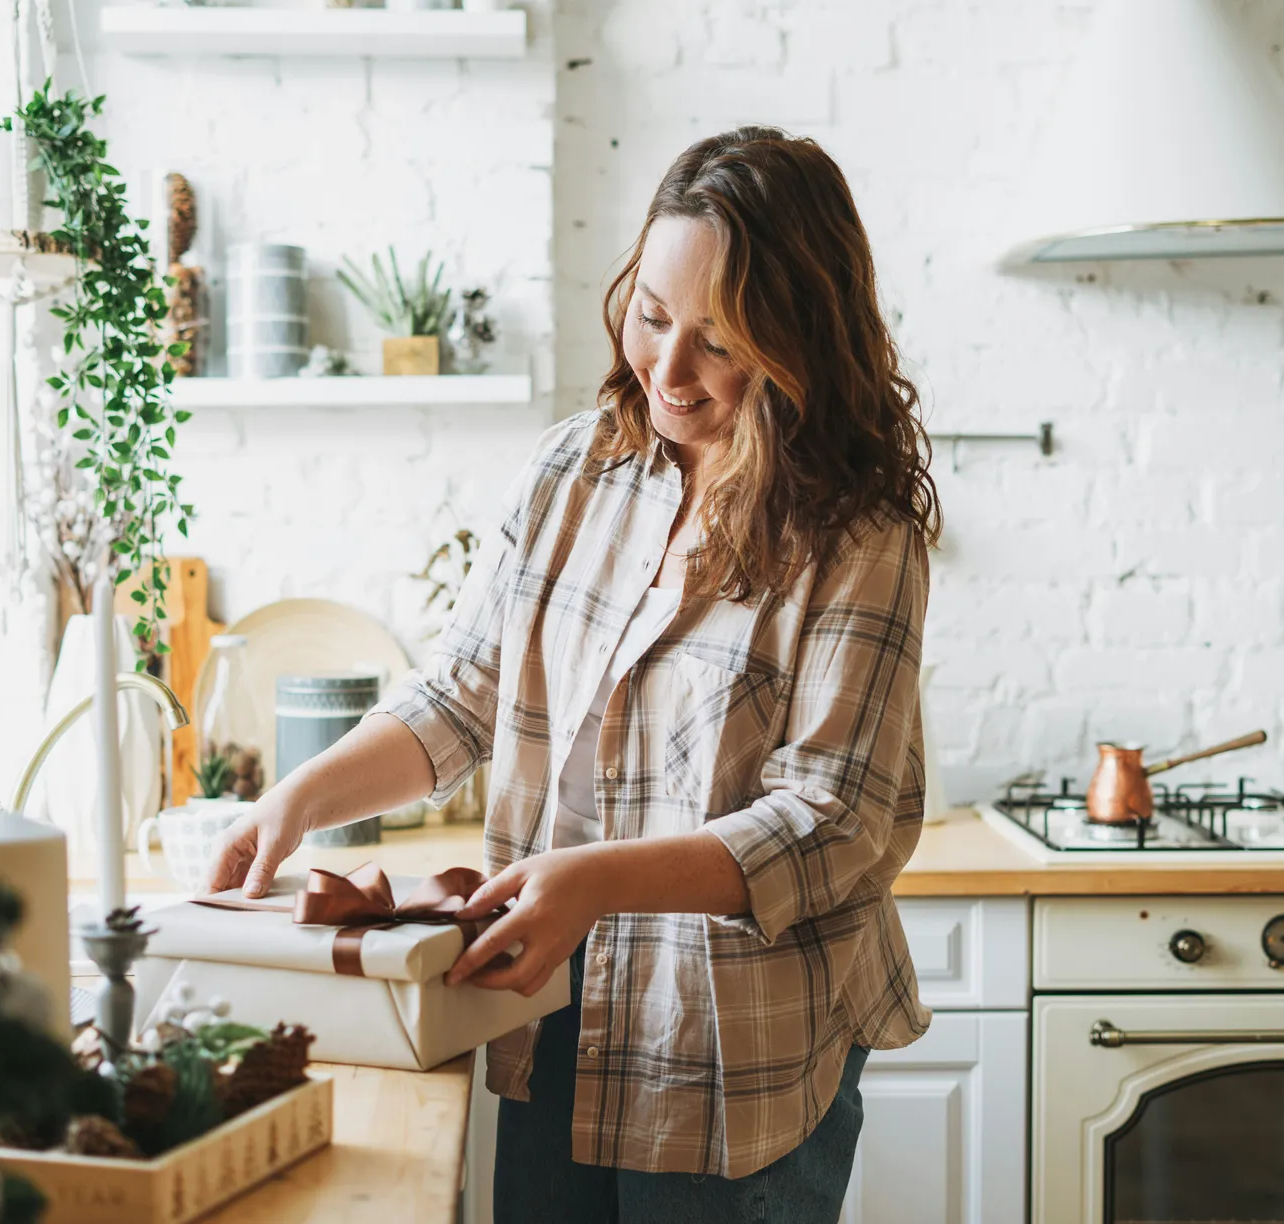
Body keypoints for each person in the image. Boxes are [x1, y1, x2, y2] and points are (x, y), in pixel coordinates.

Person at [206, 125, 940, 1223]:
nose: (669, 371)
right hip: (548, 1015)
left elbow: (835, 822)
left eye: (721, 342)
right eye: (651, 315)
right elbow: (465, 693)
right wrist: (297, 799)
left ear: (799, 341)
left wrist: (593, 879)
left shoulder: (859, 533)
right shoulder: (574, 469)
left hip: (736, 1061)